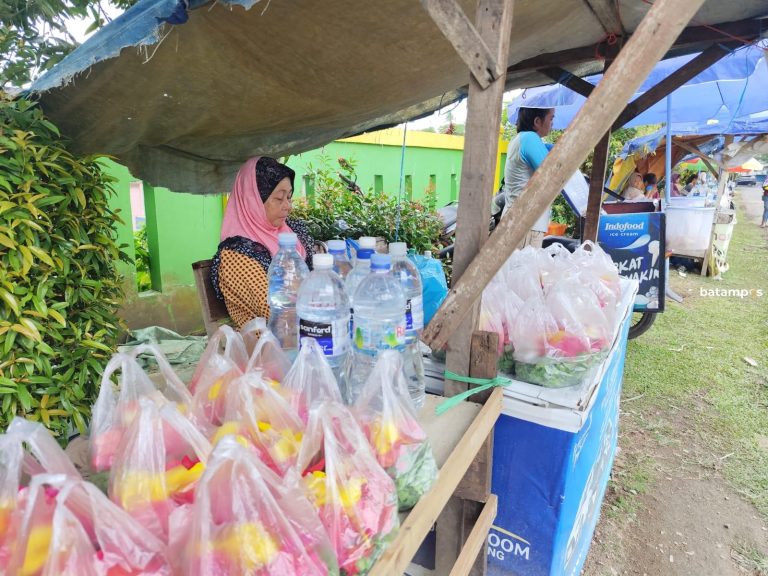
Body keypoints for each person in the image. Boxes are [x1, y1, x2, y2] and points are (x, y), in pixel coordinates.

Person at [211, 156, 315, 328]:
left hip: (308, 330)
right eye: (279, 198)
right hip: (271, 345)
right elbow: (276, 311)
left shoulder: (291, 230)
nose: (288, 206)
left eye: (289, 197)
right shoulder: (236, 253)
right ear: (253, 200)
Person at [502, 106, 555, 247]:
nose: (552, 123)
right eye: (551, 118)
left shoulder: (521, 139)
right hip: (526, 224)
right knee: (523, 268)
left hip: (519, 221)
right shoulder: (530, 138)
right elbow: (553, 175)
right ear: (537, 121)